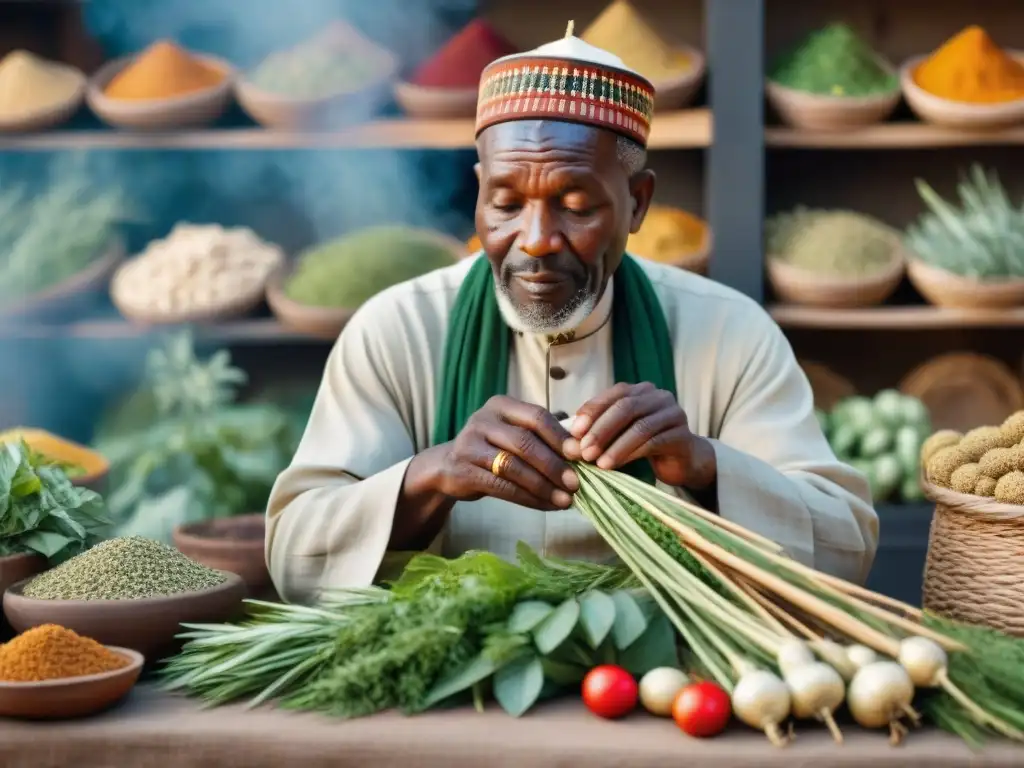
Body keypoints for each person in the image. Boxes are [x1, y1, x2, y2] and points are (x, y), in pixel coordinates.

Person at [265, 27, 877, 604]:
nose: (534, 239)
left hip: (658, 692)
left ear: (636, 204)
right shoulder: (395, 330)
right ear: (478, 191)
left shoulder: (729, 333)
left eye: (576, 205)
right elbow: (294, 555)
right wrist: (434, 475)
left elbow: (845, 545)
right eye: (505, 203)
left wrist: (704, 465)